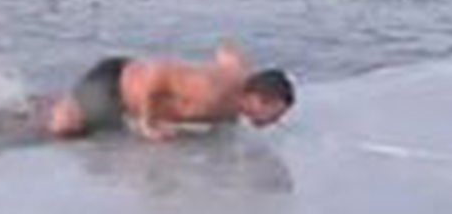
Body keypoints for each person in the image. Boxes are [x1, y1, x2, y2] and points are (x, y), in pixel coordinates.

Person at [45, 42, 294, 141]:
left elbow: (227, 48)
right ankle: (46, 104)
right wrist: (148, 124)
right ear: (257, 99)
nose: (275, 122)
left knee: (97, 127)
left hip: (126, 103)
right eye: (274, 114)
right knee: (61, 129)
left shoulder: (241, 80)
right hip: (114, 83)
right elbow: (158, 74)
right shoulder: (209, 90)